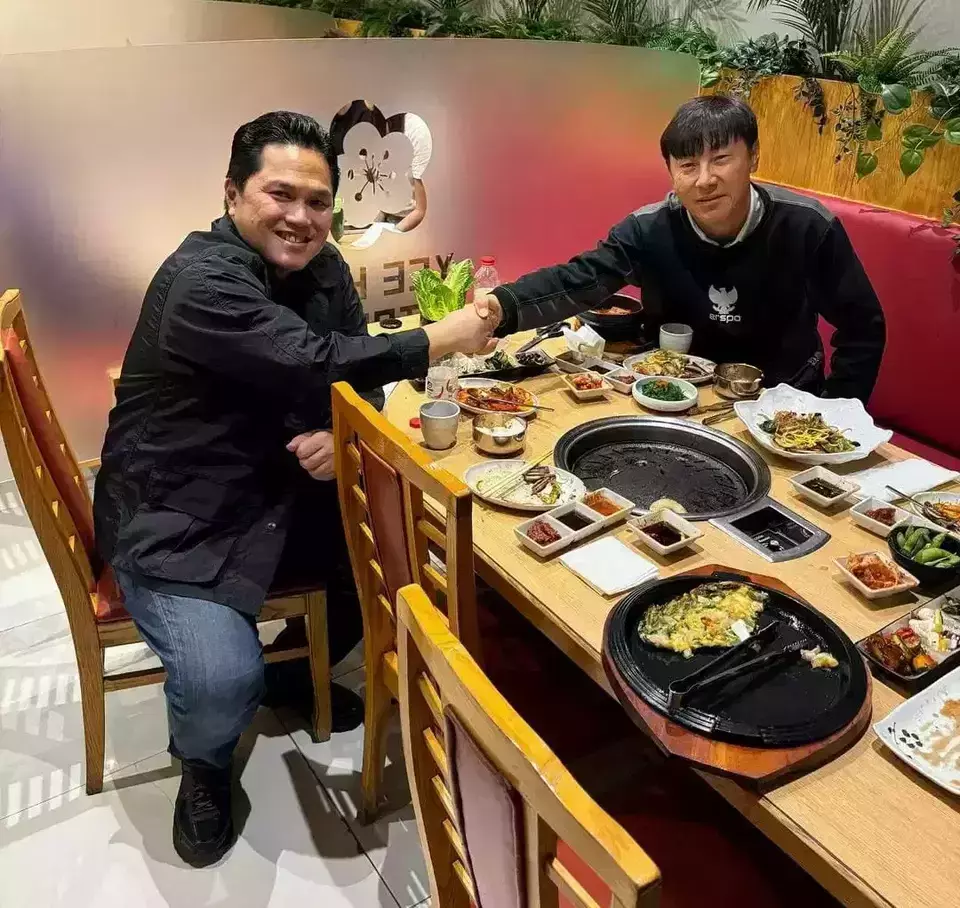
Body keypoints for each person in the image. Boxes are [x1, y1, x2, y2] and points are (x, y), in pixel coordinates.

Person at [93, 111, 495, 867]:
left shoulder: (326, 266)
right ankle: (206, 765)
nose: (301, 218)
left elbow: (348, 380)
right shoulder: (200, 282)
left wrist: (342, 434)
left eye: (317, 202)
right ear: (233, 193)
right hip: (181, 513)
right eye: (281, 195)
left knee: (401, 553)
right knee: (219, 681)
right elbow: (315, 358)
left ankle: (286, 669)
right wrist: (443, 336)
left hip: (283, 494)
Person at [475, 95, 886, 403]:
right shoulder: (648, 229)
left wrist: (838, 408)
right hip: (670, 393)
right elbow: (579, 280)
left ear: (754, 157)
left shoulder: (806, 226)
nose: (704, 180)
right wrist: (501, 307)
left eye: (721, 159)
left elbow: (862, 326)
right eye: (688, 166)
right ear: (671, 172)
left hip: (780, 398)